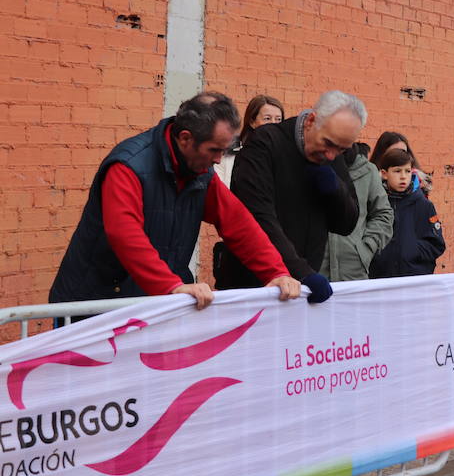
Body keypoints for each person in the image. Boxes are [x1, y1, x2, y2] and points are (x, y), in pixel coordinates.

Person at [49, 92, 301, 313]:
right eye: (214, 150)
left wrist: (275, 272)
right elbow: (125, 235)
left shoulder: (199, 171)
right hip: (95, 305)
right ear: (185, 138)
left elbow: (238, 223)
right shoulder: (129, 167)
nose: (218, 160)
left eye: (224, 150)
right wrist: (170, 286)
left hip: (150, 302)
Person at [216, 90, 365, 301]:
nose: (331, 155)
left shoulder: (331, 156)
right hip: (254, 285)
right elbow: (258, 217)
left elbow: (346, 223)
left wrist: (334, 189)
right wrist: (301, 272)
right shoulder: (264, 143)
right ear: (311, 121)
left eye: (341, 149)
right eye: (328, 143)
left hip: (301, 287)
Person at [320, 142, 394, 281]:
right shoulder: (306, 166)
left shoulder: (367, 170)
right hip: (312, 272)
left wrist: (365, 248)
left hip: (353, 273)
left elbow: (383, 214)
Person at [369, 149, 446, 277]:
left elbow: (436, 245)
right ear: (384, 174)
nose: (403, 176)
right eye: (397, 171)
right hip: (380, 278)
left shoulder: (423, 205)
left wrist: (411, 249)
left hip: (413, 278)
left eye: (407, 171)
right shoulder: (375, 203)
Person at [215, 95, 284, 188]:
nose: (274, 124)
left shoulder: (286, 156)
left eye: (278, 119)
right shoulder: (228, 154)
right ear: (252, 122)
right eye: (267, 118)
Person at [370, 131, 433, 197]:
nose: (400, 157)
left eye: (403, 152)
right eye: (394, 153)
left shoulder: (419, 184)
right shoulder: (370, 182)